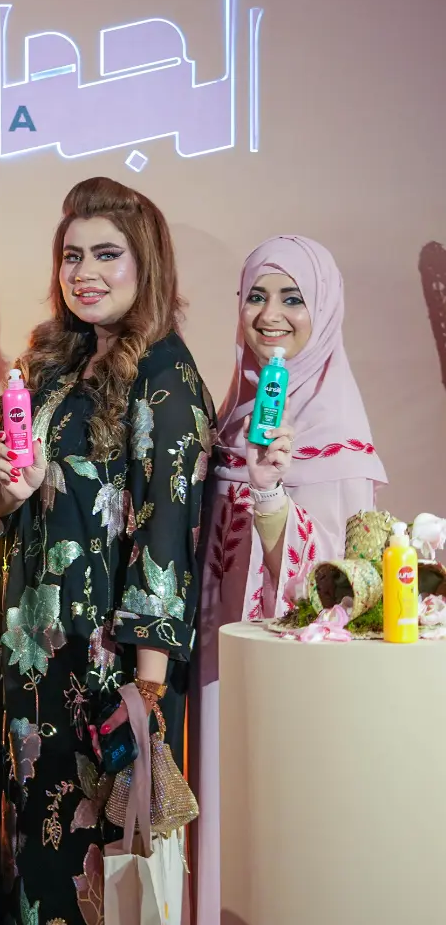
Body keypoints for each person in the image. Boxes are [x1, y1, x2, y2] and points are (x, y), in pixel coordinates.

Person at [0, 177, 214, 924]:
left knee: (99, 868)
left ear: (146, 263)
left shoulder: (166, 375)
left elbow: (166, 539)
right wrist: (6, 488)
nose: (85, 273)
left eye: (107, 254)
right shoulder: (53, 362)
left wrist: (148, 697)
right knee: (32, 856)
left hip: (106, 670)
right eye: (72, 255)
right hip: (31, 658)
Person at [190, 234, 386, 925]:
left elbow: (334, 592)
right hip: (211, 663)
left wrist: (271, 494)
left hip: (281, 674)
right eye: (256, 296)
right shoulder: (235, 416)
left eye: (293, 298)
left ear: (324, 311)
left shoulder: (338, 434)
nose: (270, 315)